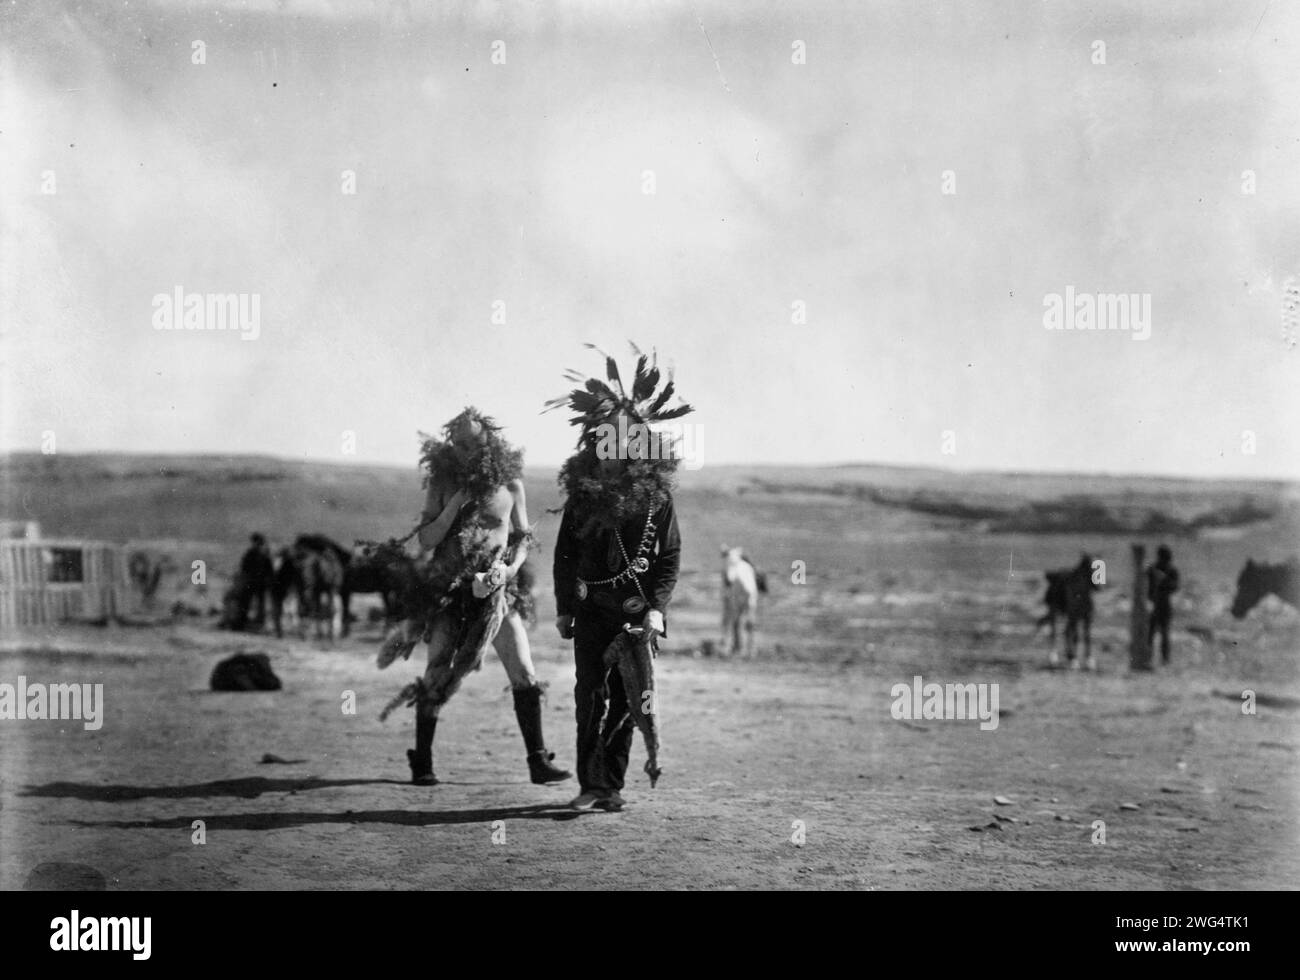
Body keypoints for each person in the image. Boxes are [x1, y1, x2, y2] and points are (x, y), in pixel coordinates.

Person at [374, 408, 571, 787]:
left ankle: (537, 760)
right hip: (451, 595)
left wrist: (510, 570)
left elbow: (522, 539)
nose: (466, 450)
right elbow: (426, 540)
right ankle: (423, 760)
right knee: (438, 676)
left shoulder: (510, 485)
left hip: (499, 594)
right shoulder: (443, 483)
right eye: (459, 444)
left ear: (489, 443)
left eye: (473, 443)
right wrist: (454, 504)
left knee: (525, 673)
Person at [548, 345, 691, 811]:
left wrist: (656, 609)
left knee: (629, 698)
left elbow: (668, 555)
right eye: (602, 437)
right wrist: (565, 607)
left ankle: (611, 786)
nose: (610, 448)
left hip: (634, 613)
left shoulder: (656, 498)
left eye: (621, 440)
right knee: (588, 695)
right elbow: (564, 554)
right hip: (589, 610)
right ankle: (590, 786)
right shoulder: (583, 494)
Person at [1146, 545, 1180, 664]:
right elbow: (1146, 586)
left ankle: (1165, 658)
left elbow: (1175, 587)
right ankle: (1148, 657)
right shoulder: (1152, 569)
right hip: (1154, 605)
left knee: (1164, 634)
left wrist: (1164, 580)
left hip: (1164, 605)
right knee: (1150, 634)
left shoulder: (1171, 571)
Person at [237, 533, 274, 631]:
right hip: (254, 583)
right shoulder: (255, 554)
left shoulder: (260, 554)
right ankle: (245, 622)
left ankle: (255, 623)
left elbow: (269, 571)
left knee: (255, 604)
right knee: (248, 603)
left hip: (257, 583)